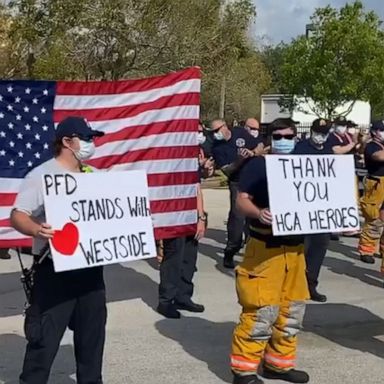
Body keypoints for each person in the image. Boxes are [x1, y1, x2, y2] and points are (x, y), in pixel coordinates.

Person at [10, 116, 107, 384]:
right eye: (86, 138)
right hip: (54, 270)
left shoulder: (95, 176)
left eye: (92, 138)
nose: (91, 143)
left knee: (92, 336)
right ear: (67, 141)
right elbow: (18, 215)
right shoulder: (42, 175)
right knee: (44, 340)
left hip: (90, 270)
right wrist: (36, 229)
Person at [231, 118, 309, 384]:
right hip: (264, 248)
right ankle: (243, 371)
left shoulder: (305, 166)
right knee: (261, 310)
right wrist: (259, 213)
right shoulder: (257, 166)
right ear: (270, 138)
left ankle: (279, 364)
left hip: (296, 250)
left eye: (288, 136)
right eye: (278, 136)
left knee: (292, 310)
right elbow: (242, 202)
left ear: (295, 137)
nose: (283, 140)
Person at [210, 119, 264, 269]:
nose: (215, 134)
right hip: (237, 182)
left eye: (216, 130)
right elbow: (227, 170)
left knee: (255, 216)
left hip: (255, 179)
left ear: (225, 127)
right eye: (213, 132)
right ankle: (231, 249)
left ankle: (252, 250)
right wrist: (239, 160)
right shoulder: (218, 148)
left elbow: (259, 144)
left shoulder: (240, 132)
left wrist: (252, 152)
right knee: (237, 217)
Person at [293, 118, 333, 303]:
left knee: (319, 247)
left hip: (321, 210)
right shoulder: (299, 149)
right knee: (301, 248)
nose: (321, 136)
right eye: (318, 132)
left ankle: (311, 285)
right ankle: (295, 285)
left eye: (324, 133)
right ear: (311, 131)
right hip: (301, 208)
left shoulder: (328, 150)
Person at [157, 183, 207, 319]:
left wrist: (201, 217)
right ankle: (166, 301)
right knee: (173, 259)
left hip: (191, 215)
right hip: (171, 215)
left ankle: (183, 297)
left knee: (189, 260)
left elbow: (197, 188)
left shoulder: (191, 163)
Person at [358, 120, 384, 264]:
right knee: (374, 218)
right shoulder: (371, 146)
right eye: (381, 130)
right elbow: (379, 156)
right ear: (375, 132)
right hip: (376, 184)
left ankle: (381, 248)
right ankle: (366, 249)